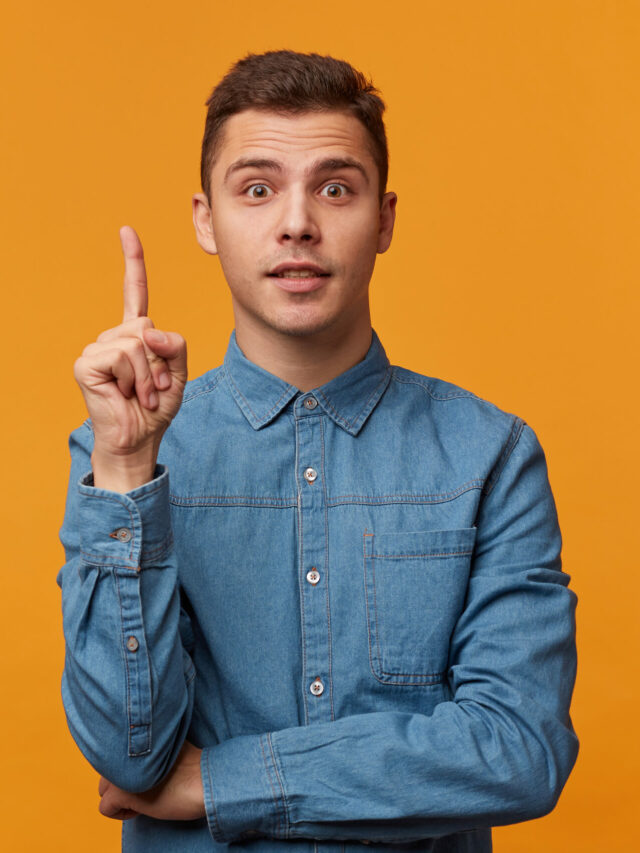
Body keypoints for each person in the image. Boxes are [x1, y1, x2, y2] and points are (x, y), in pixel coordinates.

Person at [57, 50, 579, 852]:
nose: (297, 222)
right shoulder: (117, 451)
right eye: (257, 188)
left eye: (335, 188)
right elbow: (130, 754)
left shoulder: (490, 455)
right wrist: (128, 470)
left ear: (385, 219)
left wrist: (225, 780)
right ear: (206, 219)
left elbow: (520, 749)